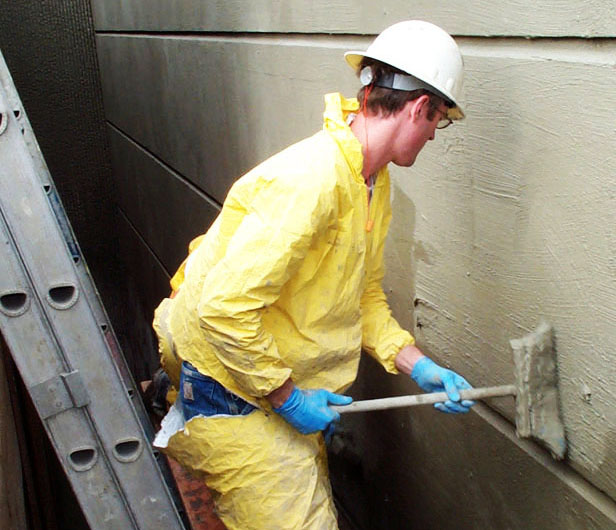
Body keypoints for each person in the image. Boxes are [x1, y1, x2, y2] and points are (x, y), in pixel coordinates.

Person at [152, 20, 472, 530]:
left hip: (264, 375)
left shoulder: (370, 180)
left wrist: (415, 364)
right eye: (439, 120)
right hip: (231, 387)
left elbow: (361, 295)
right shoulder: (313, 181)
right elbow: (223, 309)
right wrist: (288, 398)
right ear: (418, 108)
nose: (435, 132)